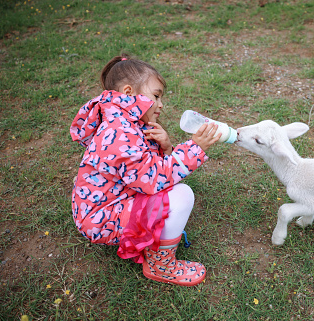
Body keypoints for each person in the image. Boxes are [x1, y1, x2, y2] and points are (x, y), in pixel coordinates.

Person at [70, 54, 221, 286]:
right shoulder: (120, 132)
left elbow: (142, 169)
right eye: (156, 96)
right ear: (129, 93)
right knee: (181, 196)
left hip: (116, 199)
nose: (161, 105)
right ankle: (161, 266)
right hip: (101, 218)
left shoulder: (124, 122)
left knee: (172, 193)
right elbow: (152, 180)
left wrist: (167, 147)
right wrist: (194, 148)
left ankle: (150, 238)